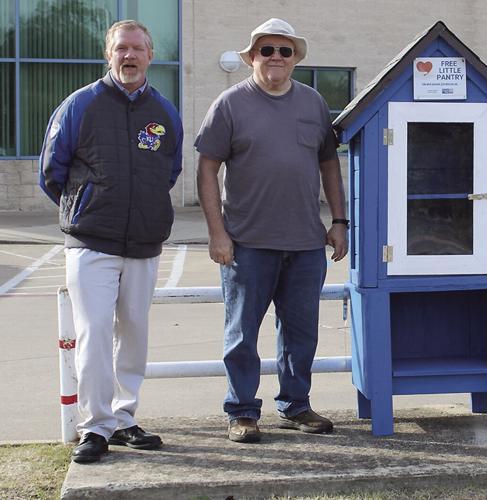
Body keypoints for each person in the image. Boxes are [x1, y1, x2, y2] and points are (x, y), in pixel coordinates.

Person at [195, 18, 347, 443]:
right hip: (246, 243)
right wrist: (216, 233)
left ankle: (296, 405)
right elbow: (207, 168)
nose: (276, 58)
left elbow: (329, 164)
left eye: (285, 50)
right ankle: (242, 411)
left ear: (295, 58)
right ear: (252, 58)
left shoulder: (314, 103)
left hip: (305, 243)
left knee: (301, 333)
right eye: (267, 50)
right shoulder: (229, 104)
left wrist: (338, 220)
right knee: (242, 333)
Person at [39, 20, 183, 463]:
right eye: (121, 48)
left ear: (150, 55)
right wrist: (86, 207)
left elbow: (169, 170)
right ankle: (96, 427)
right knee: (95, 332)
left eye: (137, 48)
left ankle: (124, 419)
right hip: (91, 243)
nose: (129, 56)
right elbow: (52, 171)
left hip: (143, 243)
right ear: (109, 54)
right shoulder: (80, 105)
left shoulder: (164, 112)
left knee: (134, 333)